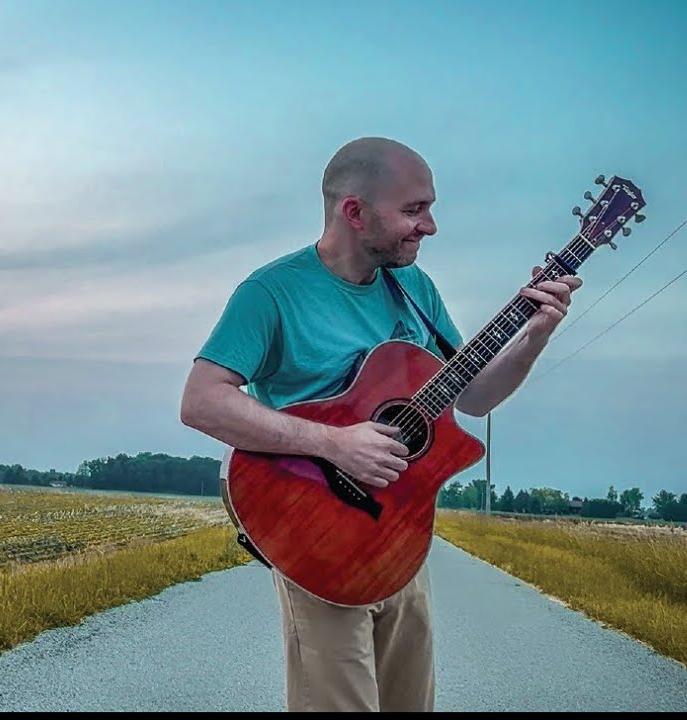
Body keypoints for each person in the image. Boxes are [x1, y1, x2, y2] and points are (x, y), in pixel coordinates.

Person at [178, 136, 581, 712]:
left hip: (401, 539)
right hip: (317, 535)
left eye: (430, 208)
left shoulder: (414, 288)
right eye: (414, 210)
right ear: (354, 212)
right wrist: (334, 442)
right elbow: (201, 402)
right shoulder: (272, 292)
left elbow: (472, 397)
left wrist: (535, 334)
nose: (430, 226)